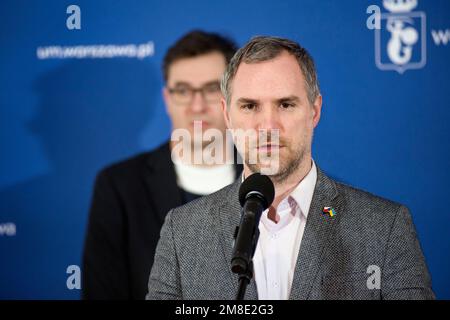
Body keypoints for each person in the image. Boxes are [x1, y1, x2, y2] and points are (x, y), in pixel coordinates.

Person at [146, 36, 435, 300]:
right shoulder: (182, 232)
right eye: (249, 106)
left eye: (285, 104)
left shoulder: (384, 228)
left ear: (314, 111)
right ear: (227, 115)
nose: (268, 126)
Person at [82, 30, 241, 299]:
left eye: (212, 89)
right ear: (168, 99)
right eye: (183, 90)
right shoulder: (119, 186)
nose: (197, 105)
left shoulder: (272, 180)